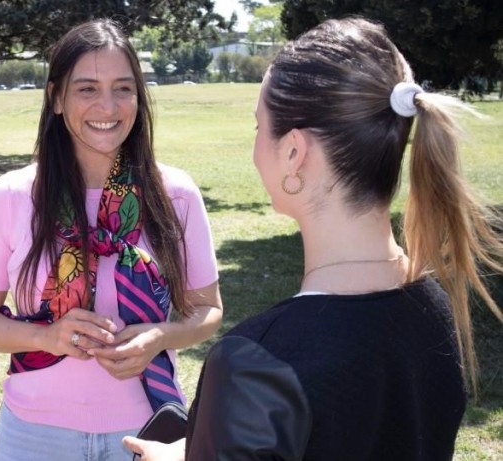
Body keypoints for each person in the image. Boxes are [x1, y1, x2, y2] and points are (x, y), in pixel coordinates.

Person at [123, 17, 503, 461]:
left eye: (258, 127)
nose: (255, 148)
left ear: (293, 152)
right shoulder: (435, 306)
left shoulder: (255, 366)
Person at [0, 18, 223, 461]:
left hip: (146, 430)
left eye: (123, 88)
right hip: (34, 434)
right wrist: (47, 337)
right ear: (56, 98)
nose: (108, 106)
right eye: (86, 89)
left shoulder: (175, 193)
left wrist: (160, 335)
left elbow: (208, 310)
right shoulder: (13, 195)